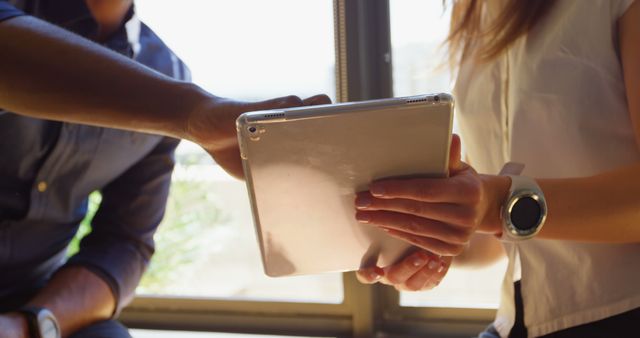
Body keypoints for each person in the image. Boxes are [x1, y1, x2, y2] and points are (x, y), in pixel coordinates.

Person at [0, 1, 328, 337]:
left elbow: (124, 243)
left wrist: (31, 325)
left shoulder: (167, 72)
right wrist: (193, 114)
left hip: (35, 302)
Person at [354, 0, 640, 337]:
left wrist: (495, 205)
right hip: (516, 320)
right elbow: (494, 235)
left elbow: (495, 205)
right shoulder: (470, 12)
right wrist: (433, 238)